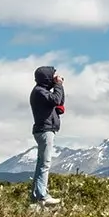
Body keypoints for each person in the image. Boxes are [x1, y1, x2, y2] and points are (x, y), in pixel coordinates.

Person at [29, 66, 66, 206]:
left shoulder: (42, 91)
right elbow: (56, 100)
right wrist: (58, 85)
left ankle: (36, 197)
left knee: (41, 164)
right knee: (44, 164)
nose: (55, 77)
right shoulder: (39, 92)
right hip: (45, 130)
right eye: (53, 75)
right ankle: (41, 196)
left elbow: (59, 101)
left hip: (44, 130)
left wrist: (59, 86)